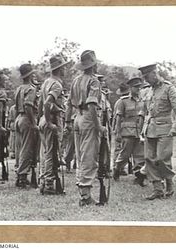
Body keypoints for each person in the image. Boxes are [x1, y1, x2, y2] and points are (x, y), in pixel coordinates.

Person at [139, 64, 176, 200]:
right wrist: (141, 128)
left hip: (165, 128)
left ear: (154, 73)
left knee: (162, 158)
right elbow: (145, 110)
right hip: (150, 128)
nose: (146, 80)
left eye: (147, 77)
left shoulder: (169, 88)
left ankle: (169, 184)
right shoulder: (148, 90)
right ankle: (157, 189)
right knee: (149, 158)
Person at [65, 50, 104, 206]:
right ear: (94, 65)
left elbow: (68, 103)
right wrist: (98, 126)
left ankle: (82, 189)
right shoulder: (94, 82)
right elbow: (92, 105)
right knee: (89, 156)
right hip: (88, 118)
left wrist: (68, 122)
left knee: (80, 155)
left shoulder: (76, 81)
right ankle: (85, 194)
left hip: (77, 117)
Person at [39, 55, 69, 194]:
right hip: (52, 119)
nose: (65, 69)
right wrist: (50, 122)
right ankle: (49, 184)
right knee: (51, 153)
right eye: (63, 67)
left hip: (44, 120)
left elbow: (41, 103)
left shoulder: (46, 82)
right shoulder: (56, 84)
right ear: (59, 68)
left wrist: (42, 119)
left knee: (46, 152)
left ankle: (44, 181)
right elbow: (47, 103)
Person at [113, 77, 145, 181]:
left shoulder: (142, 101)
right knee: (124, 155)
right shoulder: (123, 101)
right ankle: (117, 169)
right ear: (130, 88)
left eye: (139, 87)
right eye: (136, 87)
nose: (138, 89)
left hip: (139, 133)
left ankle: (138, 177)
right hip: (127, 133)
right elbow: (118, 117)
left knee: (139, 156)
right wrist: (117, 133)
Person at [14, 64, 40, 188]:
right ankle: (22, 176)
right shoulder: (31, 89)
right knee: (26, 149)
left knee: (20, 148)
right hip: (27, 119)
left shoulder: (19, 88)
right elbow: (28, 106)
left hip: (19, 117)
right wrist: (34, 123)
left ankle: (20, 174)